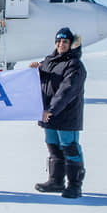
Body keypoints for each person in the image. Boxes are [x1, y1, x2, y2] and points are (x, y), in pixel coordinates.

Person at [30, 27, 87, 199]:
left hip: (66, 115)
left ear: (71, 44)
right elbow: (45, 80)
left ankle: (75, 185)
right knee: (53, 147)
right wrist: (35, 70)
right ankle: (56, 181)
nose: (61, 44)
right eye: (59, 41)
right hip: (48, 115)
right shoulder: (49, 61)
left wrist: (52, 110)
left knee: (69, 147)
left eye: (65, 42)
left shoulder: (75, 65)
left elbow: (66, 90)